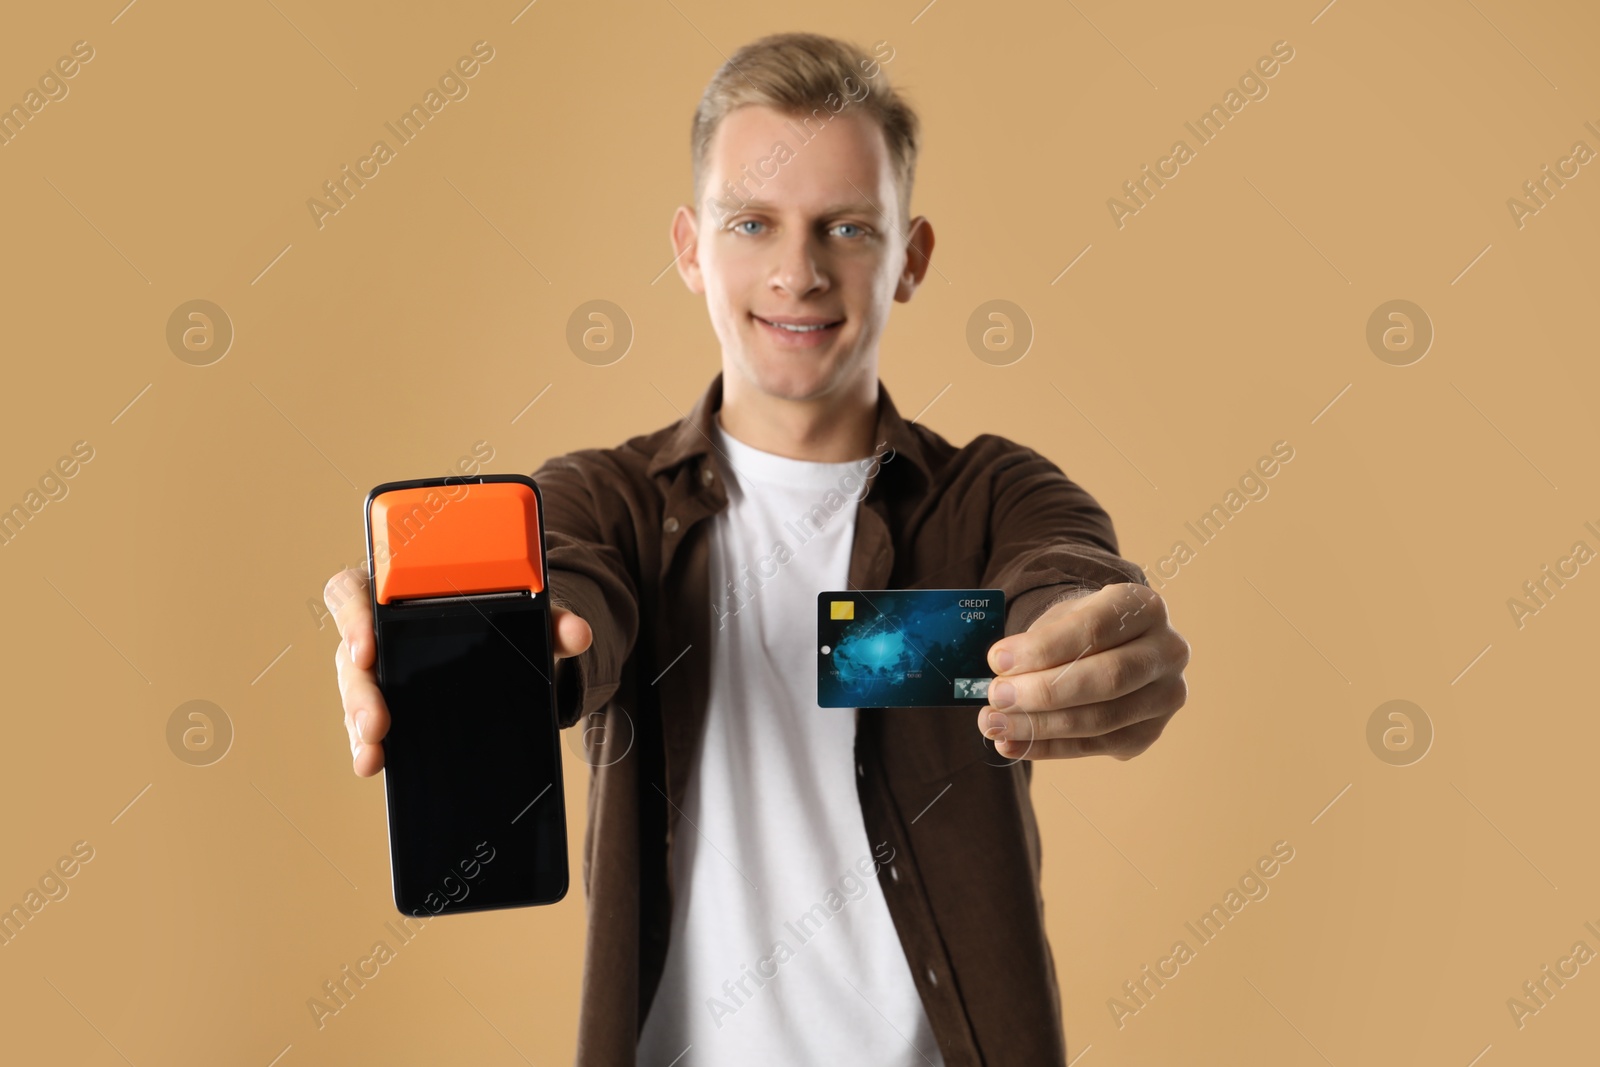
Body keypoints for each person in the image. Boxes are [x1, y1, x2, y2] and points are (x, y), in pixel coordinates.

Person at [326, 31, 1189, 1066]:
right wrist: (499, 647)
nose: (797, 271)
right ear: (690, 250)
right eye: (752, 223)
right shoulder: (605, 499)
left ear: (909, 258)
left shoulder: (995, 493)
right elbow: (571, 593)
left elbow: (1061, 577)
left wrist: (1083, 643)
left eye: (846, 228)